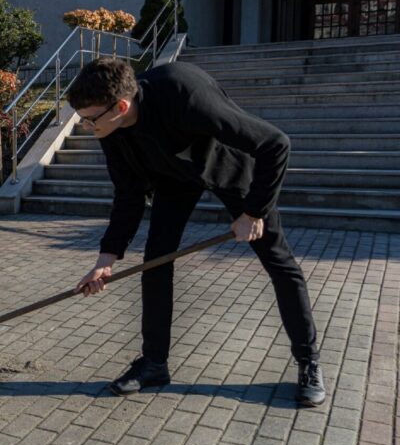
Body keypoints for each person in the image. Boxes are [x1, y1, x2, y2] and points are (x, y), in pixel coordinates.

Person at [68, 57, 325, 407]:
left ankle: (308, 361)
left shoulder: (184, 94)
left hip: (228, 167)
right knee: (155, 262)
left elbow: (275, 144)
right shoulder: (109, 128)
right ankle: (154, 363)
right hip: (172, 178)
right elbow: (128, 194)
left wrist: (254, 212)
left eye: (89, 119)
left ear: (121, 106)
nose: (85, 126)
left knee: (279, 263)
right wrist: (106, 258)